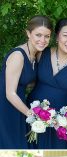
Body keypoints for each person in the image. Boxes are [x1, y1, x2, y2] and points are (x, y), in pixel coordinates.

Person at [28, 18, 67, 149]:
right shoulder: (42, 53)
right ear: (57, 37)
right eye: (65, 35)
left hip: (60, 121)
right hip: (33, 114)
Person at [0, 15, 52, 149]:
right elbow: (10, 93)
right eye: (38, 35)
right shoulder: (18, 55)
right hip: (6, 107)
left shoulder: (36, 54)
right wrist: (33, 115)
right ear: (28, 33)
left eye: (47, 36)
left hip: (18, 105)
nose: (43, 40)